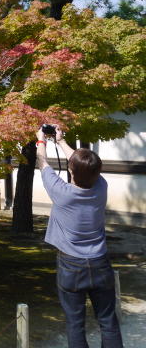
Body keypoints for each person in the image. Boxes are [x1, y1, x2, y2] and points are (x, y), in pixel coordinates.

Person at [35, 124, 124, 348]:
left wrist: (42, 141)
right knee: (108, 321)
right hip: (100, 262)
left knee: (75, 324)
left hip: (71, 266)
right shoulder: (100, 186)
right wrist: (62, 141)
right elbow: (83, 165)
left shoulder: (61, 192)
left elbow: (43, 162)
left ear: (71, 171)